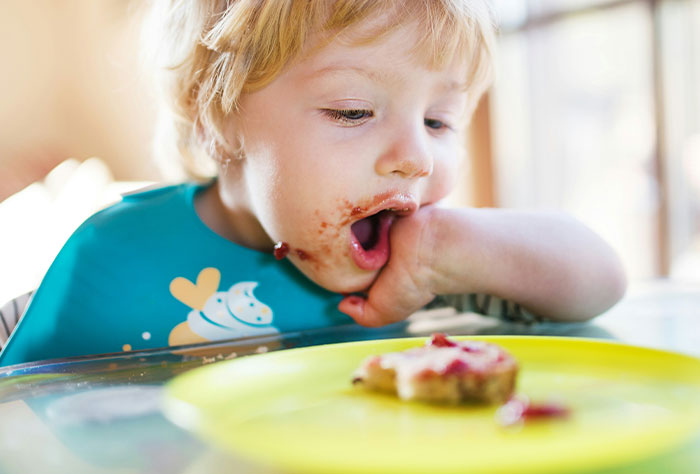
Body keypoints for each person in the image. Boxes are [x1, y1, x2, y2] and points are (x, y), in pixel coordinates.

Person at [0, 0, 627, 367]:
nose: (415, 157)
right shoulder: (112, 259)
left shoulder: (423, 268)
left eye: (439, 120)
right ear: (218, 118)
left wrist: (447, 251)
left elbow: (600, 280)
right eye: (353, 111)